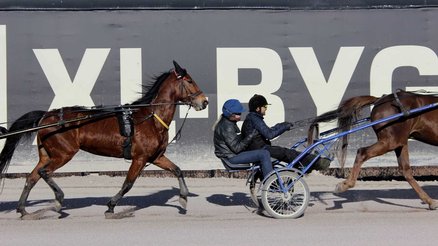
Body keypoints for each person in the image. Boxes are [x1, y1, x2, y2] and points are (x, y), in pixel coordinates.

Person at [241, 94, 331, 172]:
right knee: (288, 153)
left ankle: (309, 163)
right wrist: (284, 127)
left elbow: (267, 130)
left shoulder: (252, 118)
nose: (266, 109)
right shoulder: (255, 119)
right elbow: (269, 134)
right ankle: (318, 162)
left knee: (288, 153)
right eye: (265, 107)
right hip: (261, 149)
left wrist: (282, 125)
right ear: (258, 108)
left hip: (259, 148)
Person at [213, 99, 273, 178]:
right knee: (264, 154)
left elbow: (236, 140)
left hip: (231, 154)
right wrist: (250, 136)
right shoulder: (227, 127)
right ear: (229, 114)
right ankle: (270, 182)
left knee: (258, 149)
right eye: (237, 113)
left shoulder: (228, 122)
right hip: (231, 158)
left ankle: (261, 176)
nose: (240, 115)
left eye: (240, 113)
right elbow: (237, 148)